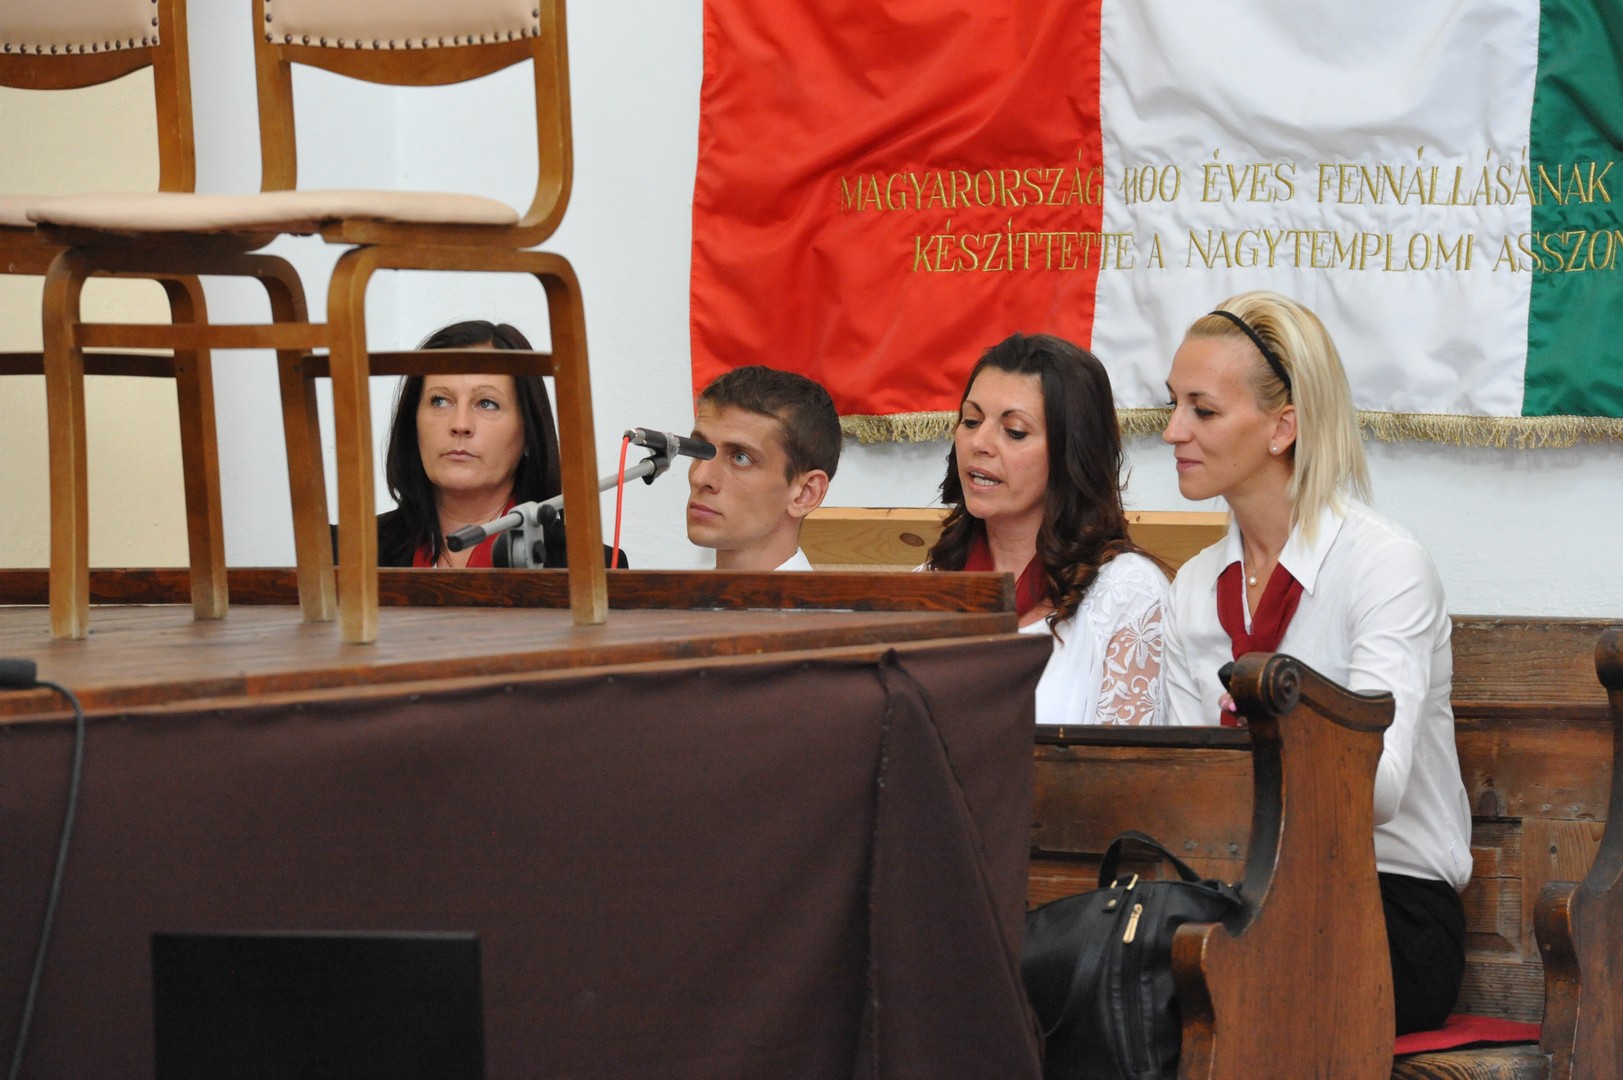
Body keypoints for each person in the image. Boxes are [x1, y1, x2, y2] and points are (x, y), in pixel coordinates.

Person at [1160, 290, 1472, 1034]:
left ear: (1283, 428)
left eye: (1203, 410)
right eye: (1172, 404)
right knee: (1096, 971)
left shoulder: (1382, 565)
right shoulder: (1194, 585)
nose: (1172, 431)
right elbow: (1179, 776)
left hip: (1384, 903)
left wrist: (1262, 743)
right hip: (1239, 890)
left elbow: (1378, 788)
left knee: (1195, 991)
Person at [926, 333, 1168, 727]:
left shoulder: (1128, 593)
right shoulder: (929, 583)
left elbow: (1125, 764)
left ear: (1072, 452)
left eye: (1014, 431)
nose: (979, 442)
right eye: (971, 421)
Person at [371, 320, 624, 568]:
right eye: (440, 401)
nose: (460, 424)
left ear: (528, 430)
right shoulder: (356, 550)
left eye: (487, 403)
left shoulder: (589, 568)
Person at [686, 365, 843, 571]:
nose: (700, 477)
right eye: (701, 450)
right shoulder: (667, 591)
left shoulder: (818, 597)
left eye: (741, 458)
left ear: (805, 494)